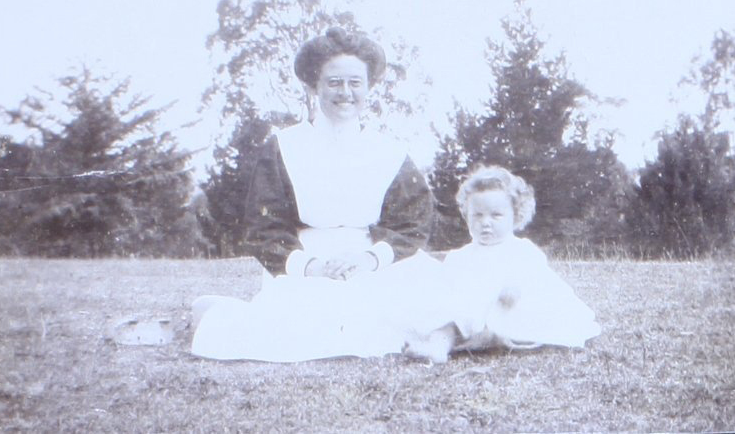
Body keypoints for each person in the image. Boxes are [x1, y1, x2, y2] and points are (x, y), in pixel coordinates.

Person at [191, 27, 435, 361]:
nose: (345, 93)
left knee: (428, 297)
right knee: (313, 320)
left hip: (371, 260)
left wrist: (369, 259)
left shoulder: (390, 151)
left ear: (369, 87)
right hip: (305, 262)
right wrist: (313, 267)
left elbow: (413, 225)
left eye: (355, 82)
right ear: (313, 86)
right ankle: (222, 316)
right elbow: (264, 230)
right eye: (334, 82)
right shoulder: (284, 146)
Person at [403, 165, 602, 364]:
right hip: (470, 318)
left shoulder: (522, 250)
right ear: (467, 215)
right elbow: (447, 287)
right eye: (477, 215)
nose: (485, 222)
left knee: (527, 317)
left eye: (496, 215)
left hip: (509, 312)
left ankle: (492, 339)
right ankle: (438, 346)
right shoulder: (460, 256)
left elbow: (532, 277)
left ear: (515, 216)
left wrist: (514, 287)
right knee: (447, 315)